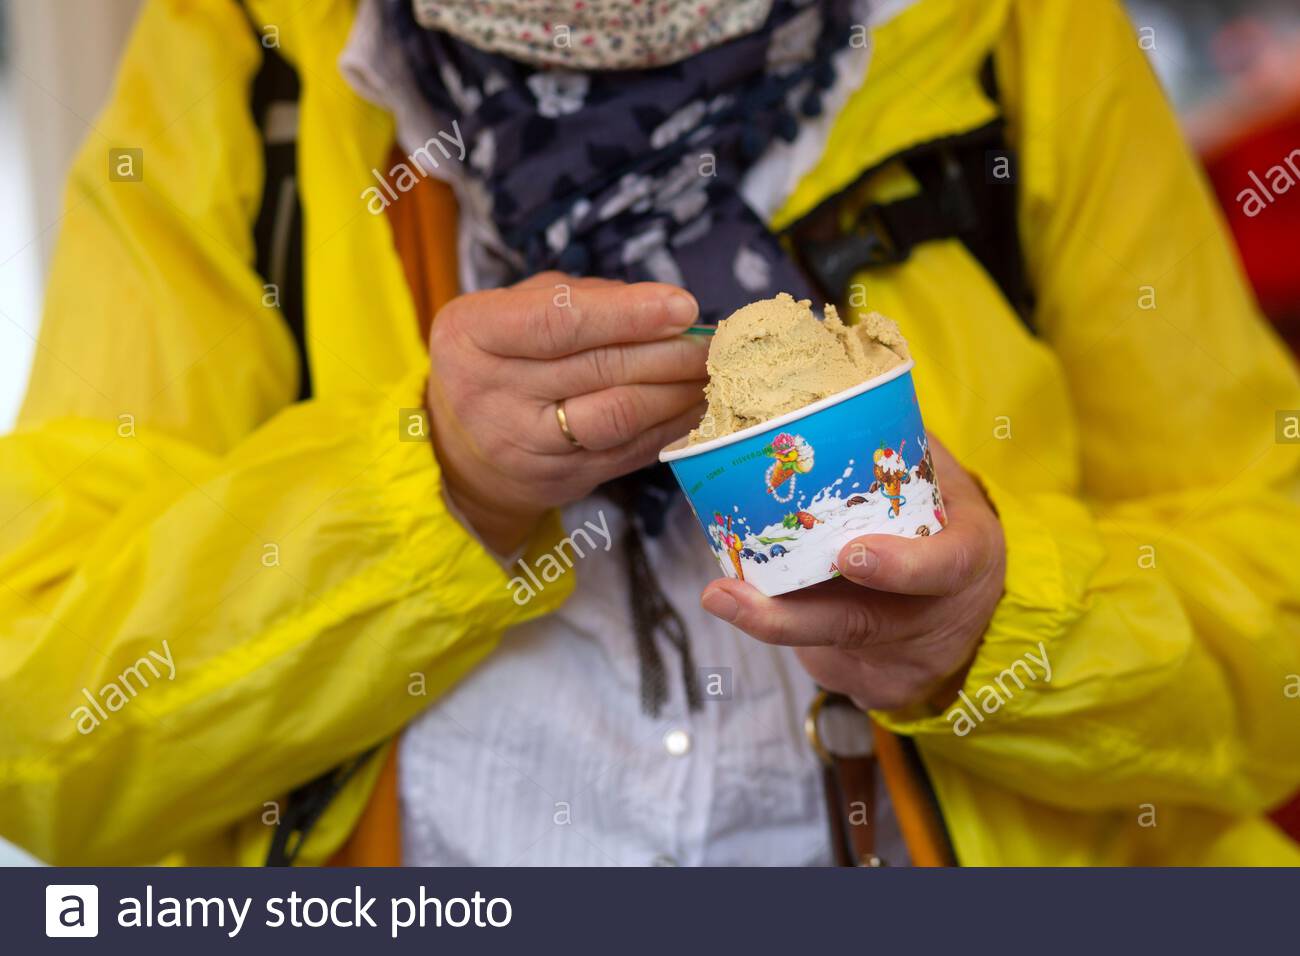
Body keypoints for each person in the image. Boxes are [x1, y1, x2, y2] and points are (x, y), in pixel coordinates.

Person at [1, 0, 1298, 867]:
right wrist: (429, 484)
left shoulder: (1017, 36)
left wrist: (1005, 627)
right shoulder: (243, 63)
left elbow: (1276, 629)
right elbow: (47, 743)